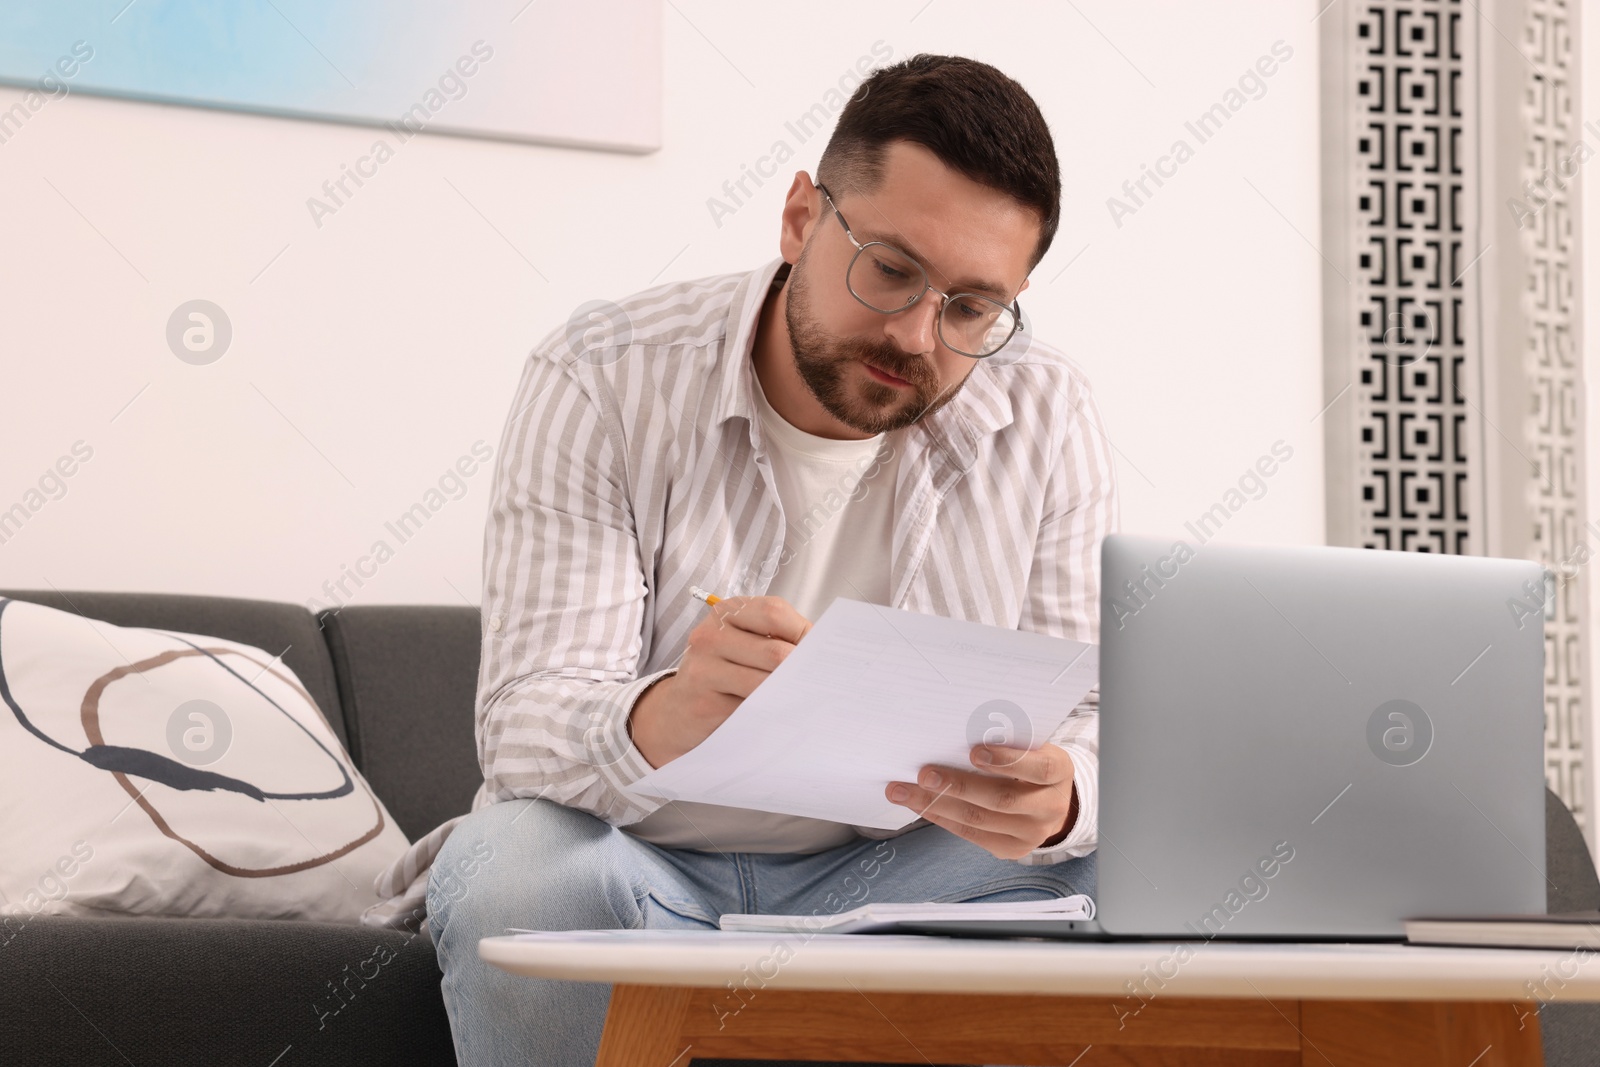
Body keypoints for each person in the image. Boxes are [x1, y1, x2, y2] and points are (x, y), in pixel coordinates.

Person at [421, 52, 1117, 1065]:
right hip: (636, 861)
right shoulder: (604, 375)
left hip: (895, 875)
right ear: (801, 217)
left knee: (1155, 864)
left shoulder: (1046, 411)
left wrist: (1061, 796)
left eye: (970, 307)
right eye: (890, 269)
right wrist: (667, 712)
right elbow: (522, 727)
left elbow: (1094, 725)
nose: (918, 334)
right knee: (518, 873)